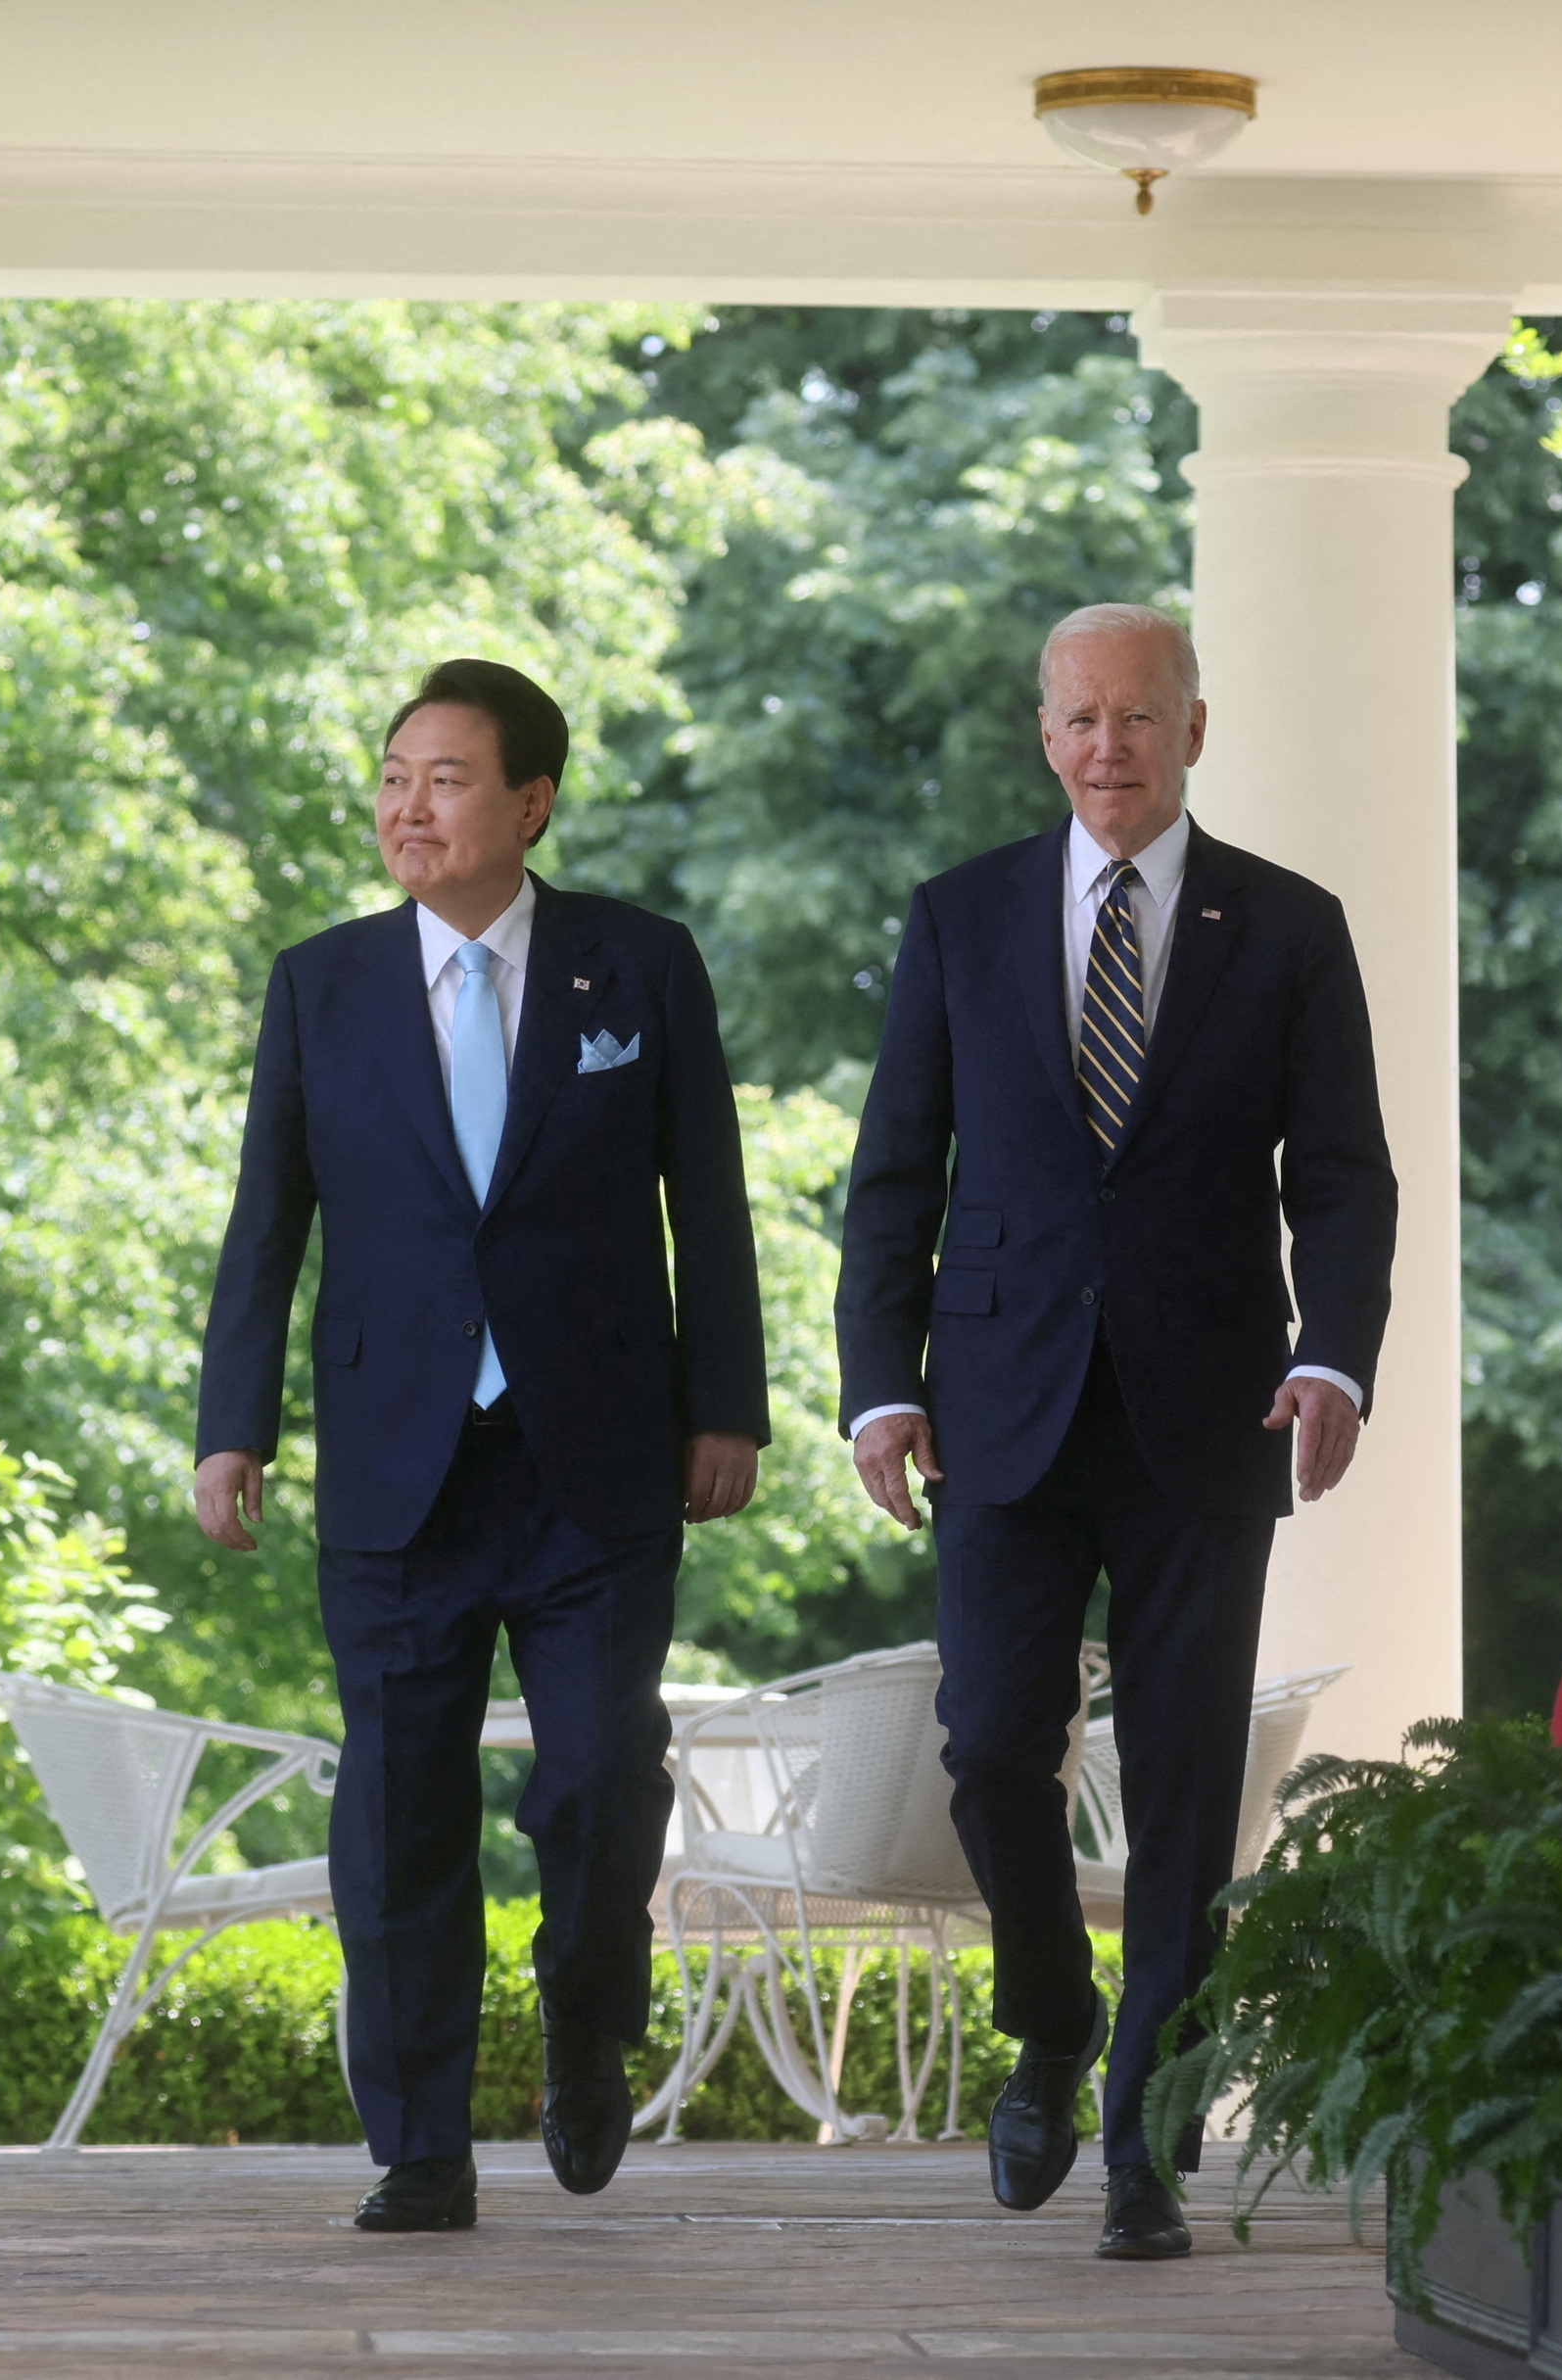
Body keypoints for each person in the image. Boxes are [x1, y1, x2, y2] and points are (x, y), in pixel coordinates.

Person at [834, 603, 1396, 2261]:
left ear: (1195, 730)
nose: (1107, 747)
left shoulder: (1288, 928)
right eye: (1079, 719)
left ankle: (1146, 2128)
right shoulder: (962, 919)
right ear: (1044, 732)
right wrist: (881, 1378)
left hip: (1205, 1410)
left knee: (1182, 1781)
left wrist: (1337, 1360)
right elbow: (894, 1173)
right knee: (994, 1741)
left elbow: (1345, 1178)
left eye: (1138, 718)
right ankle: (1053, 2012)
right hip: (997, 1407)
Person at [193, 657, 767, 2233]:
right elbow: (268, 1223)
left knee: (595, 1775)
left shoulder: (637, 969)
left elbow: (704, 1202)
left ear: (530, 800)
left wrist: (729, 1405)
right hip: (395, 1462)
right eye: (392, 776)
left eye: (443, 777)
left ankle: (588, 2013)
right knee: (396, 1810)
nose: (406, 804)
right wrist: (230, 1423)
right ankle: (422, 2143)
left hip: (597, 1457)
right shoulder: (321, 985)